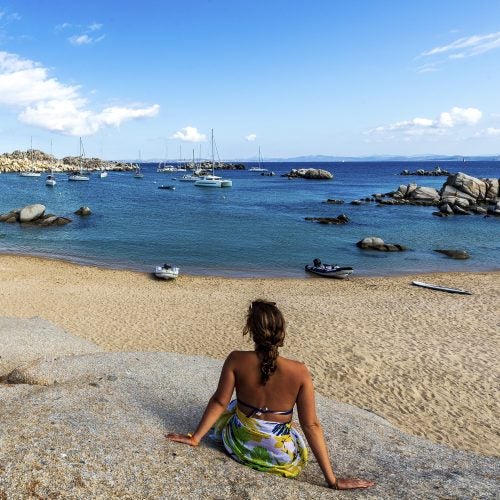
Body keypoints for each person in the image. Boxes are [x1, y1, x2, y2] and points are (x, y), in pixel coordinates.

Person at [166, 299, 374, 490]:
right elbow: (311, 425)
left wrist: (196, 438)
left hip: (241, 446)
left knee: (232, 408)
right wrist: (333, 480)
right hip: (280, 456)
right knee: (289, 428)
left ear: (250, 330)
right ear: (281, 332)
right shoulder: (299, 371)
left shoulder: (236, 360)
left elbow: (220, 401)